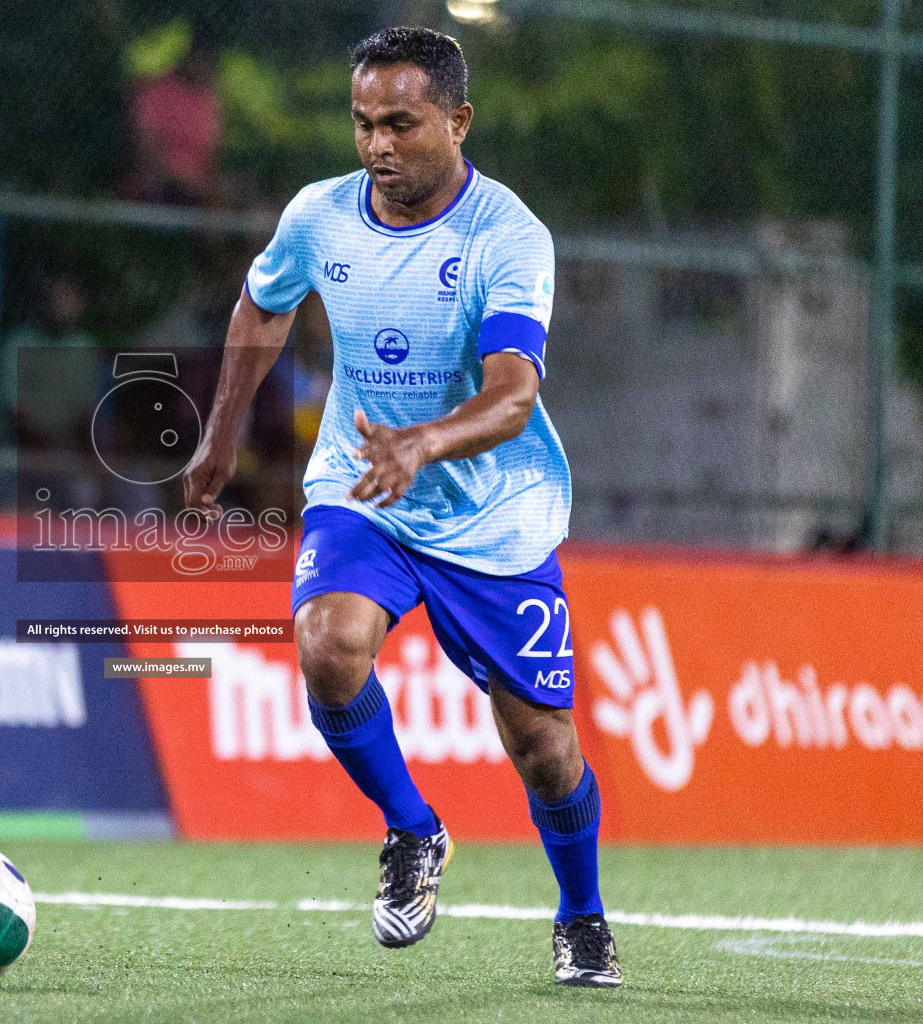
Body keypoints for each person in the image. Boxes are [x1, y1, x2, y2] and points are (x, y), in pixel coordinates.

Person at [183, 28, 621, 988]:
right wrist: (222, 432)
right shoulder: (320, 217)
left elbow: (513, 395)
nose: (378, 144)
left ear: (457, 121)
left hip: (493, 514)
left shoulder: (508, 235)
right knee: (327, 644)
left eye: (402, 123)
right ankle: (413, 831)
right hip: (361, 486)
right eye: (363, 123)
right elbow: (263, 306)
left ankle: (583, 916)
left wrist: (422, 443)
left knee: (543, 750)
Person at [125, 45, 223, 206]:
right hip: (160, 182)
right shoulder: (157, 91)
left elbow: (211, 158)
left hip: (198, 184)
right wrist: (178, 174)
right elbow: (145, 149)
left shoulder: (208, 101)